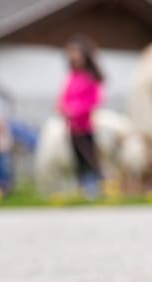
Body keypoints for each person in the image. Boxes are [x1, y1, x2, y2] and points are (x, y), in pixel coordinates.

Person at [58, 35, 105, 197]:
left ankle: (94, 188)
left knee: (89, 156)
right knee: (77, 159)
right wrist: (62, 108)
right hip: (72, 127)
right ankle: (82, 187)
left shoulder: (90, 77)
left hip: (85, 125)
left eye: (75, 52)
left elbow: (94, 101)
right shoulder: (72, 76)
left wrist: (75, 110)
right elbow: (64, 96)